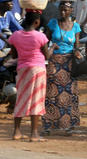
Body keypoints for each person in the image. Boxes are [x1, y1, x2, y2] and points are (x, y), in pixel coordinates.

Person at [8, 11, 53, 142]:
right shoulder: (40, 36)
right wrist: (53, 47)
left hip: (23, 69)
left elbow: (14, 56)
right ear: (37, 22)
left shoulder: (15, 35)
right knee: (37, 100)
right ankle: (34, 134)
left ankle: (16, 132)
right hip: (38, 69)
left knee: (21, 98)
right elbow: (47, 56)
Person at [43, 0, 82, 135]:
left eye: (66, 10)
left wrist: (77, 51)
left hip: (69, 62)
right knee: (52, 92)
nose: (63, 12)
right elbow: (44, 40)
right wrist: (49, 49)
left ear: (71, 11)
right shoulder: (53, 23)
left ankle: (68, 125)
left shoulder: (76, 26)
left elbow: (77, 44)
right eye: (61, 9)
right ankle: (49, 124)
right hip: (54, 61)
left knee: (68, 93)